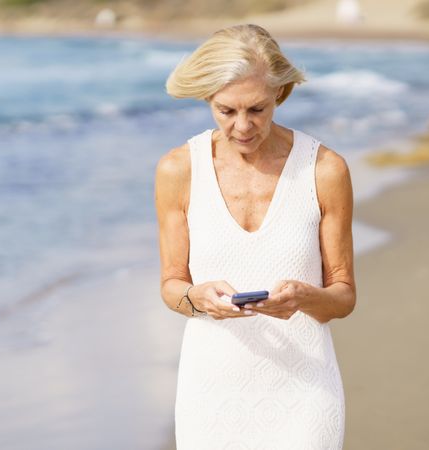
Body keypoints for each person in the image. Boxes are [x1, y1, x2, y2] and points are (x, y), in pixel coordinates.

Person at [154, 24, 356, 449]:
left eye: (257, 110)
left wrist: (304, 296)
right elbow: (173, 286)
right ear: (208, 98)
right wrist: (198, 297)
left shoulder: (324, 170)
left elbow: (342, 296)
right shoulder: (178, 170)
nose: (243, 126)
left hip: (305, 392)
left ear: (279, 94)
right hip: (210, 393)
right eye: (227, 111)